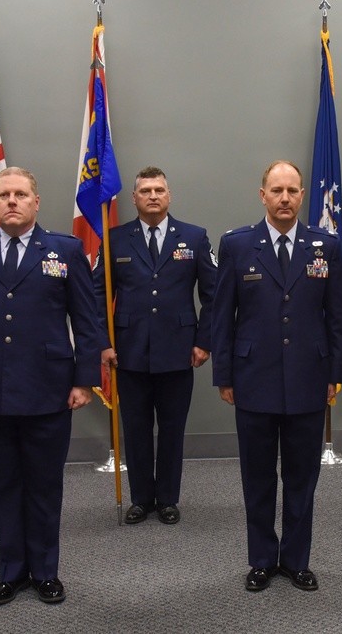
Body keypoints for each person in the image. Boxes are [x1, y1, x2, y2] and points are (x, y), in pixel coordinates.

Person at [0, 167, 100, 606]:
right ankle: (11, 571)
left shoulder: (65, 250)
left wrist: (85, 380)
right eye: (4, 194)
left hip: (48, 387)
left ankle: (46, 571)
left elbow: (86, 322)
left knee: (45, 485)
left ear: (36, 202)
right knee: (1, 485)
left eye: (21, 194)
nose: (12, 201)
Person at [211, 160, 342, 592]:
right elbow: (222, 317)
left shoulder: (325, 245)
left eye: (292, 190)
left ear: (302, 195)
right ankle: (260, 560)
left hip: (310, 378)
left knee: (302, 477)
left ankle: (295, 560)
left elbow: (337, 315)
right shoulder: (237, 245)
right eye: (277, 190)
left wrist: (335, 374)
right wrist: (224, 375)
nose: (285, 198)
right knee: (257, 477)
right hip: (253, 377)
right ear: (263, 195)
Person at [94, 166, 216, 525]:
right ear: (133, 198)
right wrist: (103, 342)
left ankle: (167, 499)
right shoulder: (114, 239)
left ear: (169, 195)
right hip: (128, 353)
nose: (152, 195)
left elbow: (213, 295)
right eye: (145, 190)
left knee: (172, 429)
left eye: (158, 190)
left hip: (179, 351)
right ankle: (141, 499)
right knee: (136, 429)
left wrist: (203, 341)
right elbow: (97, 295)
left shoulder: (194, 238)